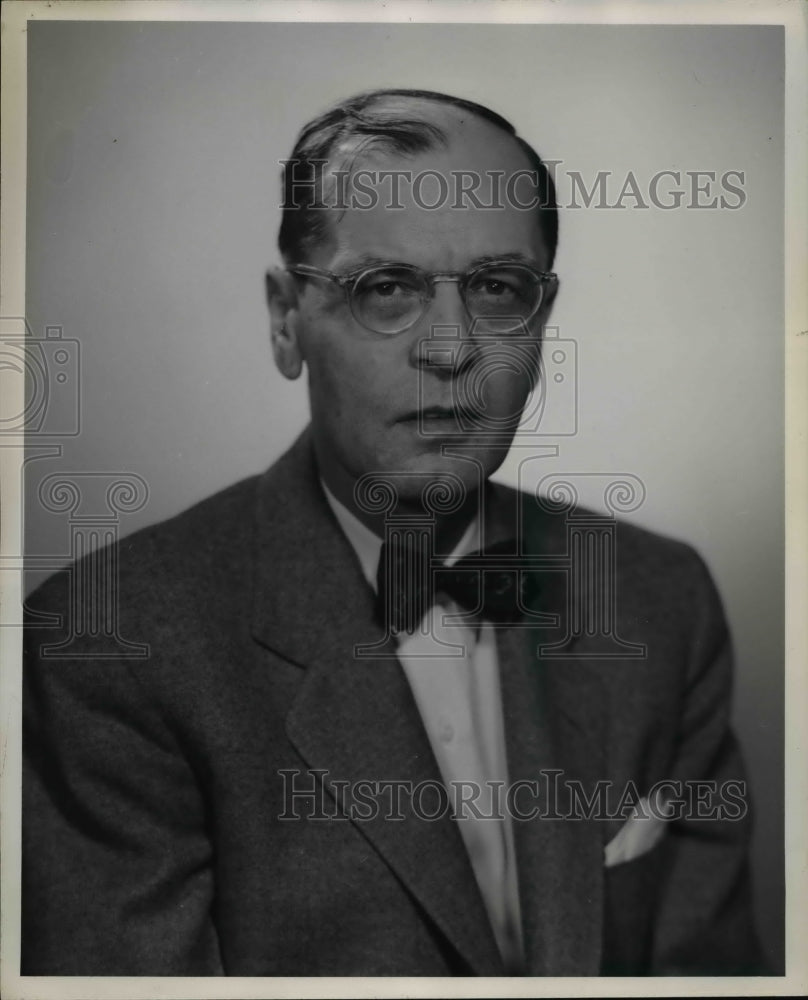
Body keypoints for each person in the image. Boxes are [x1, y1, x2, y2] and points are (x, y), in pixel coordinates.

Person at [22, 89, 765, 976]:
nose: (451, 348)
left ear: (542, 321)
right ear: (284, 319)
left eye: (496, 289)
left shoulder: (660, 599)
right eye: (386, 288)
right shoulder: (113, 645)